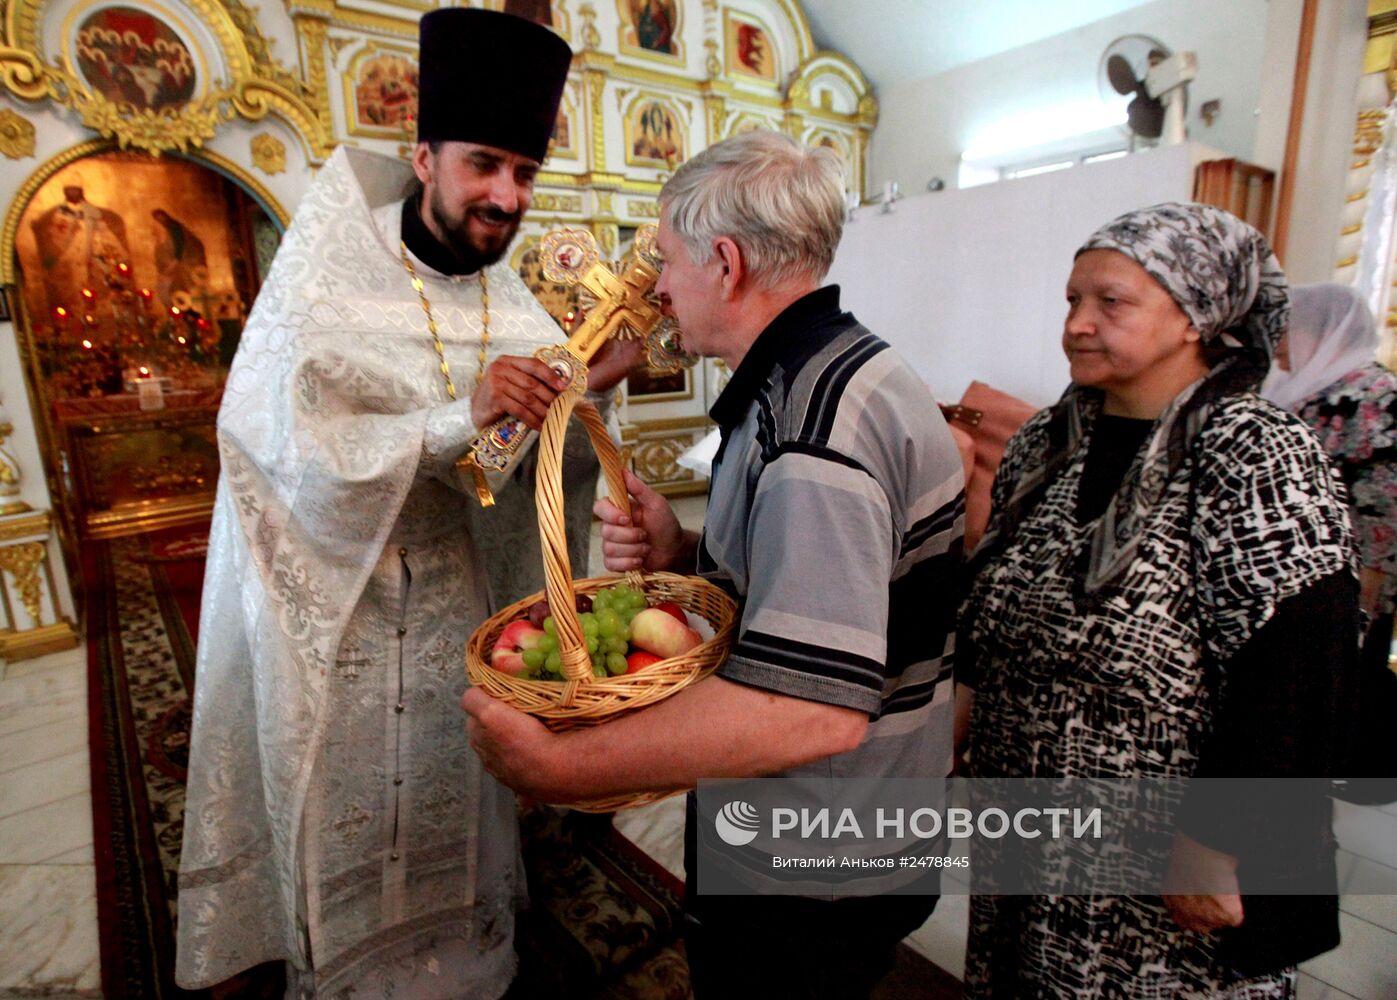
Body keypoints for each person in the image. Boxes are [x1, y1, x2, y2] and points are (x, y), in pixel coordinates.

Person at [175, 10, 643, 998]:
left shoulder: (510, 304)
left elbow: (502, 475)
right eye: (484, 166)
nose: (506, 196)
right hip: (334, 621)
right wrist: (449, 415)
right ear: (424, 156)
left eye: (524, 171)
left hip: (450, 624)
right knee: (339, 819)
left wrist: (577, 401)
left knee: (450, 809)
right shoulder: (326, 275)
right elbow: (272, 447)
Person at [463, 129, 966, 999]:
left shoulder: (813, 431)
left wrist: (563, 769)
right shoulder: (841, 371)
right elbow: (834, 590)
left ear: (724, 263)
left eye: (664, 259)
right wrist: (685, 553)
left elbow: (810, 714)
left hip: (815, 858)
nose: (656, 286)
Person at [956, 203, 1357, 998]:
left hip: (1158, 845)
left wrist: (1213, 841)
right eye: (1071, 300)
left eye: (1111, 302)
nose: (1076, 323)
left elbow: (1297, 668)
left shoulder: (1253, 450)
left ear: (1196, 317)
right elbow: (989, 614)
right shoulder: (1046, 442)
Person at [1264, 282, 1397, 803]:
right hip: (1296, 576)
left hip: (1351, 583)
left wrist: (1362, 601)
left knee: (1342, 689)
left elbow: (1385, 509)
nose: (1277, 342)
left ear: (1320, 332)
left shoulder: (1374, 399)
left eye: (1286, 329)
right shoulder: (1310, 389)